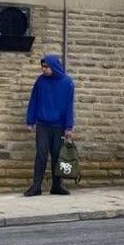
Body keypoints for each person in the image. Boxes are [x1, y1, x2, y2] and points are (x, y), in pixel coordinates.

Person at [26, 54, 76, 197]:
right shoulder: (40, 81)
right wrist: (31, 120)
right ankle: (36, 187)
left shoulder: (67, 83)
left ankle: (57, 186)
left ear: (54, 66)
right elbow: (34, 101)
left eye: (46, 67)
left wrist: (68, 127)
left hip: (59, 126)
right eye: (42, 67)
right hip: (42, 125)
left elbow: (69, 106)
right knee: (41, 155)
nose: (44, 69)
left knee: (57, 156)